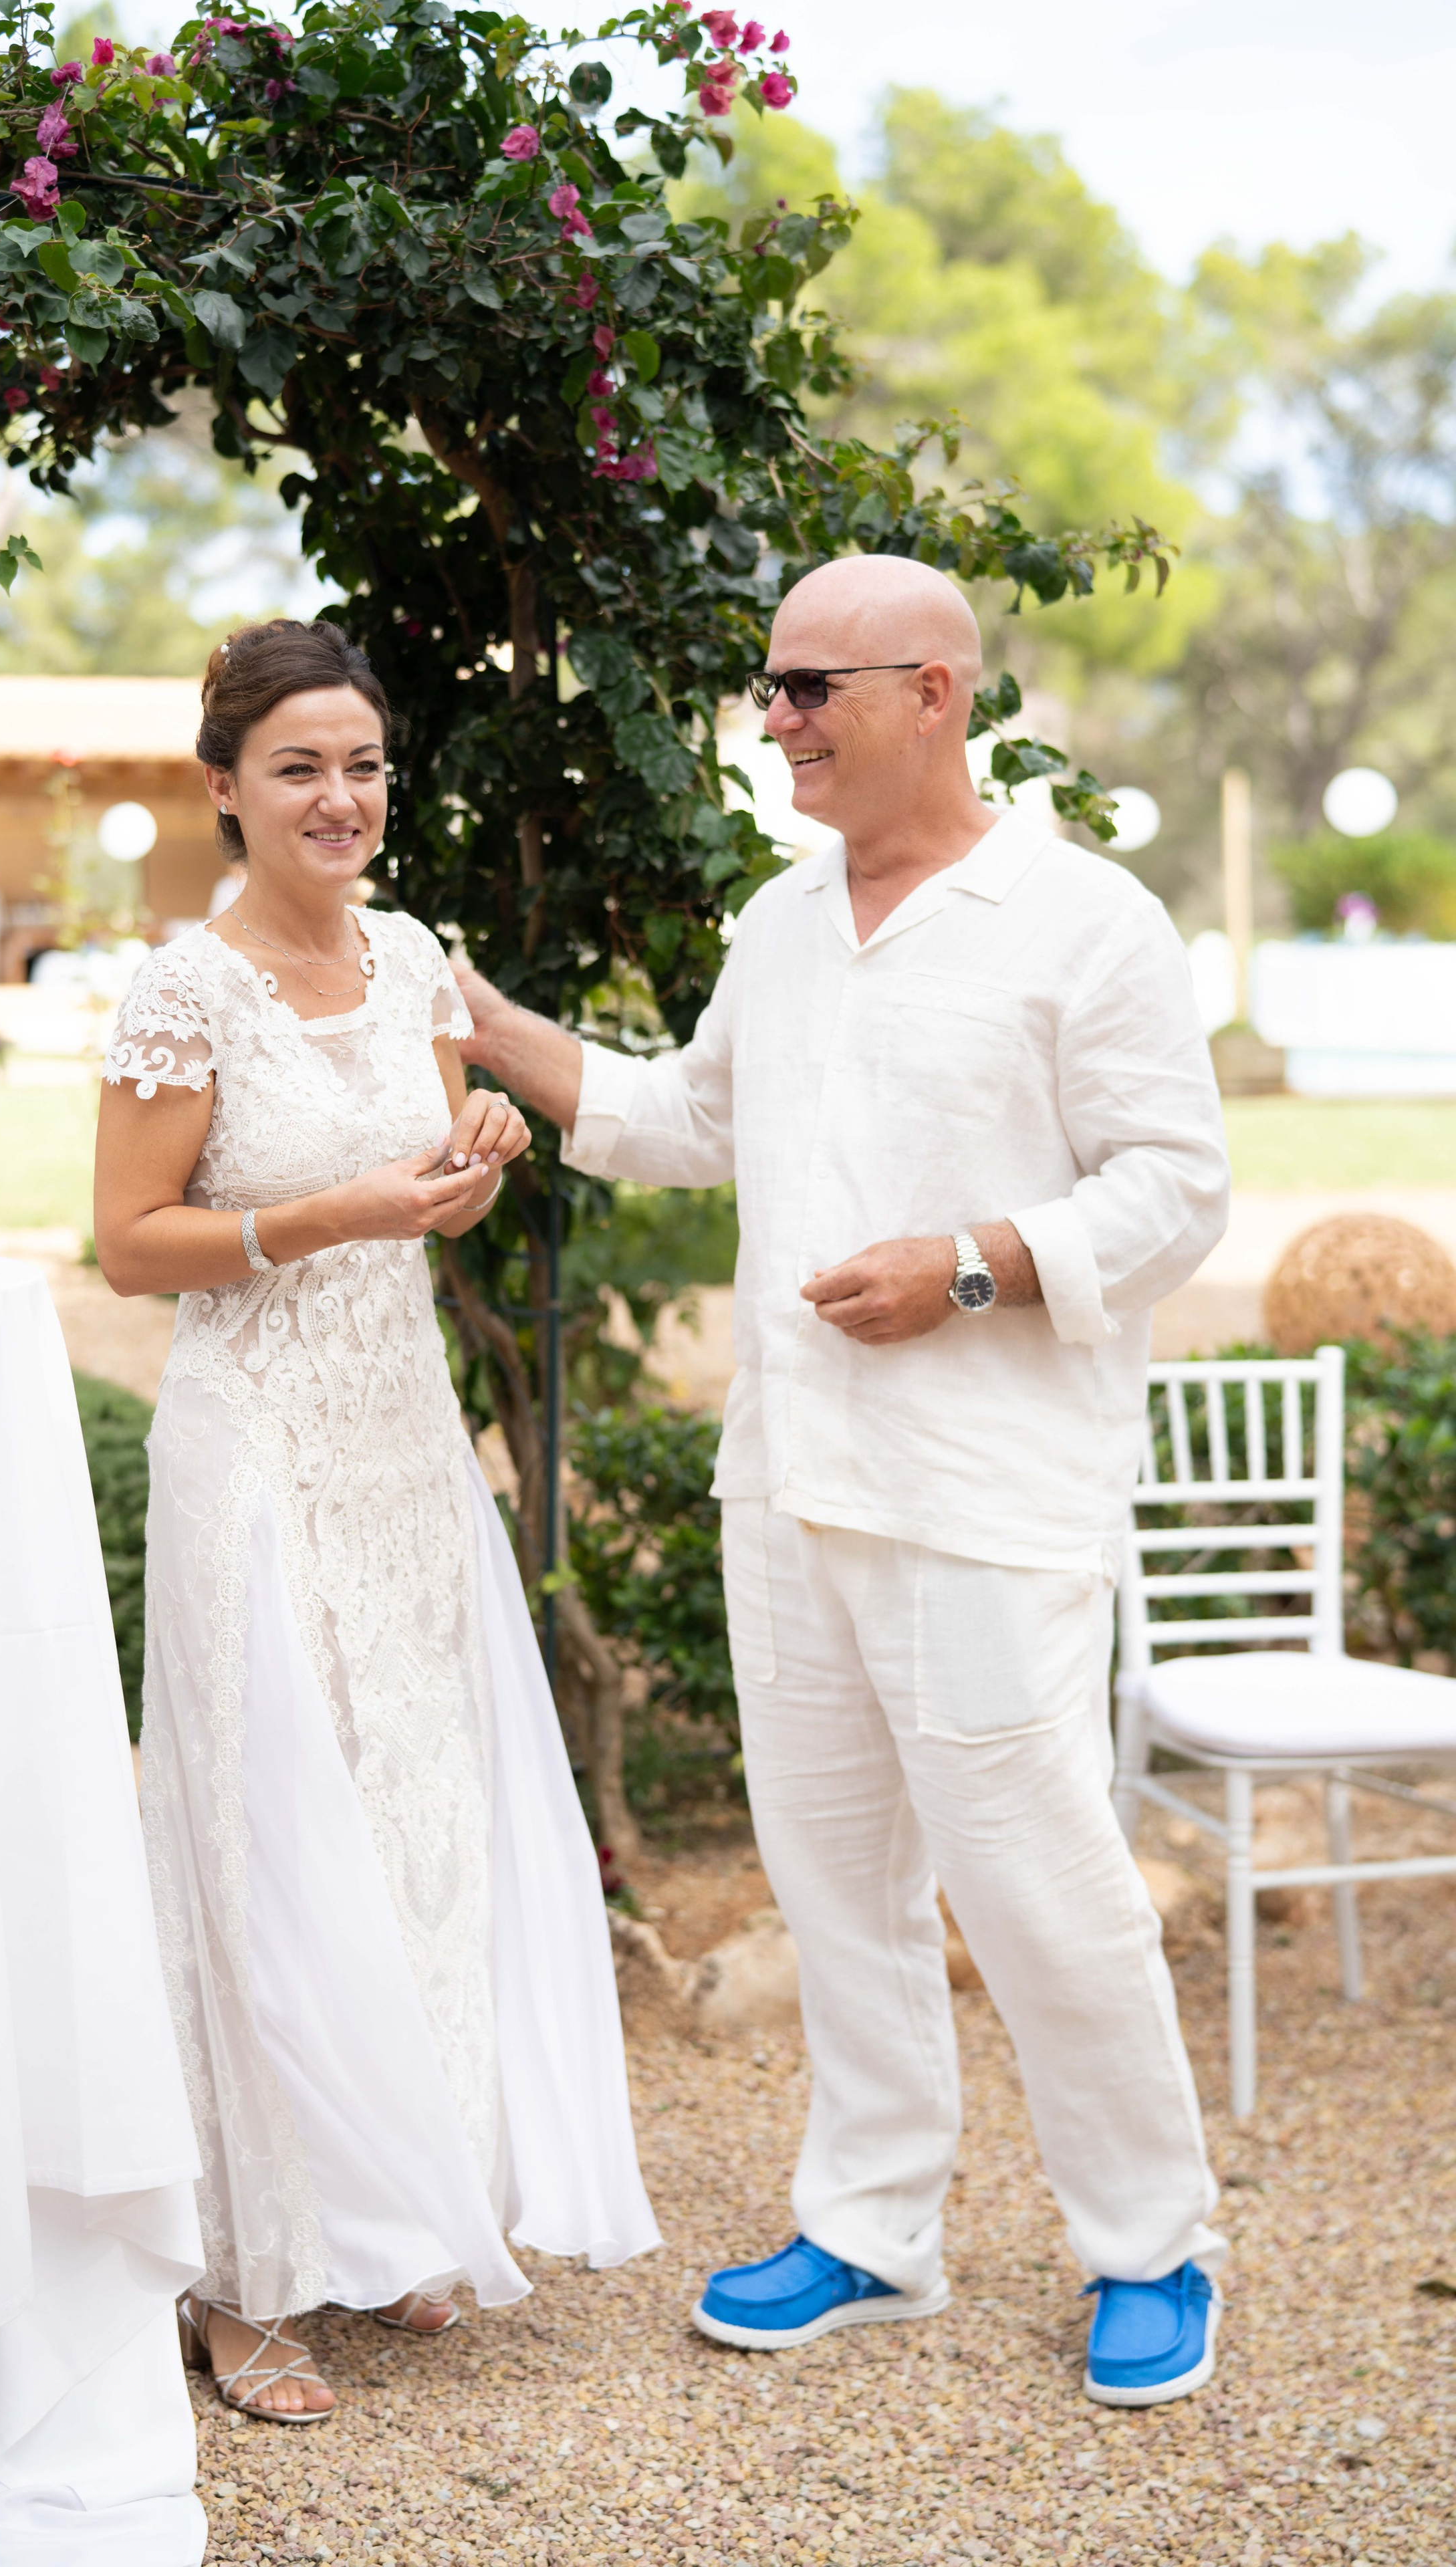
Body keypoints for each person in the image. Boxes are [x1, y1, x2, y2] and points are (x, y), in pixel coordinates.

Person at [455, 556, 1231, 2411]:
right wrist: (477, 1015)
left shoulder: (1087, 921)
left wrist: (970, 1262)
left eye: (815, 688)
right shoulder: (783, 923)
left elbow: (1178, 1185)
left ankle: (1151, 2245)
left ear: (939, 694)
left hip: (984, 1492)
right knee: (833, 1888)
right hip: (787, 1479)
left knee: (1041, 1885)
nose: (777, 719)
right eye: (773, 687)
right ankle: (876, 2232)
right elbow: (681, 1120)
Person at [94, 617, 659, 2423]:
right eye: (298, 769)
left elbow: (429, 1207)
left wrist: (474, 1162)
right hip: (254, 1443)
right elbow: (125, 1244)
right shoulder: (184, 991)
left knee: (415, 1811)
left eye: (362, 766)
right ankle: (239, 2273)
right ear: (224, 793)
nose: (340, 799)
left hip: (403, 1449)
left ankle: (390, 2197)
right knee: (260, 1829)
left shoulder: (416, 960)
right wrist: (341, 1213)